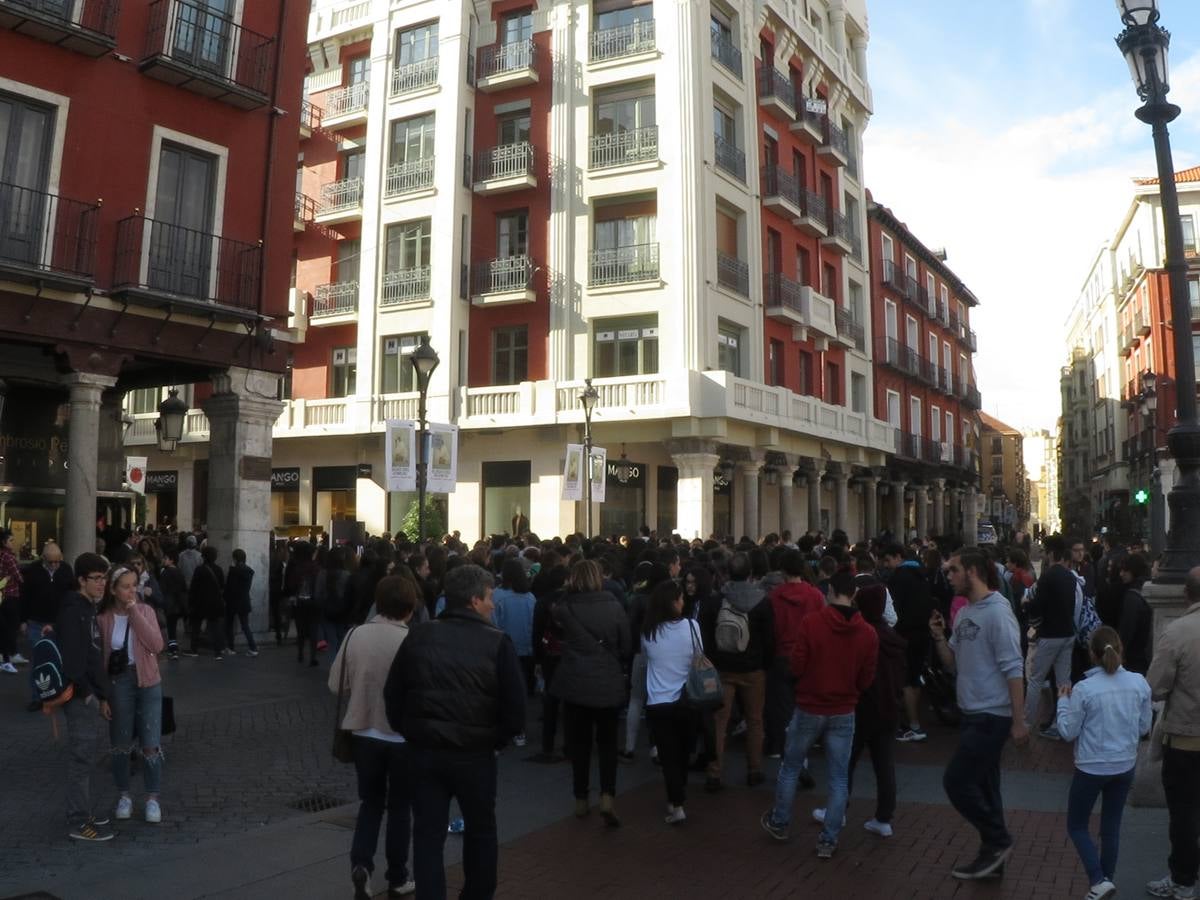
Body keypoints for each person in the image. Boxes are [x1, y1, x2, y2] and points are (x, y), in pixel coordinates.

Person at [384, 565, 526, 900]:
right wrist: (496, 740)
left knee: (428, 834)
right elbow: (515, 709)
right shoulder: (497, 642)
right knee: (480, 831)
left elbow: (393, 694)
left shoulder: (419, 635)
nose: (493, 604)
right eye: (489, 597)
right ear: (475, 600)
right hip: (474, 754)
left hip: (426, 751)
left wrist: (411, 730)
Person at [760, 567, 878, 859]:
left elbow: (797, 664)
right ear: (854, 594)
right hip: (844, 709)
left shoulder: (812, 623)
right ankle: (828, 839)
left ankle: (780, 821)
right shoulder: (867, 633)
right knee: (838, 778)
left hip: (810, 705)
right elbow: (866, 679)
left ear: (830, 591)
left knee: (791, 766)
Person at [929, 547, 1027, 881]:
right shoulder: (964, 613)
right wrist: (939, 637)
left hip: (991, 715)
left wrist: (1018, 721)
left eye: (953, 570)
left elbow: (1014, 668)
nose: (948, 576)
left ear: (972, 571)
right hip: (971, 713)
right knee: (986, 788)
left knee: (956, 781)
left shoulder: (998, 613)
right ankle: (993, 859)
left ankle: (998, 839)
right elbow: (952, 662)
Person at [328, 576, 418, 899]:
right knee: (400, 807)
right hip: (402, 736)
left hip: (364, 731)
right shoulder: (413, 640)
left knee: (370, 803)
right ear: (410, 607)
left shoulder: (356, 635)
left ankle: (362, 865)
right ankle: (398, 876)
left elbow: (335, 684)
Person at [1056, 626, 1152, 900]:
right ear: (1120, 648)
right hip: (1124, 764)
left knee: (1077, 825)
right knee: (1111, 828)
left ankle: (1098, 880)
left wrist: (1063, 702)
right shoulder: (1139, 683)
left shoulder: (1084, 689)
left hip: (1091, 766)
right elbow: (1144, 727)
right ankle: (1105, 881)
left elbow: (1068, 732)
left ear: (1092, 654)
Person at [549, 559, 630, 826]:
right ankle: (607, 795)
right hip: (607, 680)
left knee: (580, 744)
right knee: (608, 743)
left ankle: (581, 798)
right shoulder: (614, 605)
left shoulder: (565, 607)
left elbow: (554, 627)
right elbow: (626, 644)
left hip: (575, 682)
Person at [1144, 566, 1200, 900]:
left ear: (1185, 593)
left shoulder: (1177, 632)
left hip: (1185, 738)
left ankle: (1183, 879)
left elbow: (1155, 686)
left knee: (1183, 813)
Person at [698, 551, 774, 791]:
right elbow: (770, 639)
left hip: (722, 668)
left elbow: (705, 636)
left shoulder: (715, 601)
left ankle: (714, 772)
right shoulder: (762, 602)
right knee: (755, 720)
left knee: (719, 722)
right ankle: (754, 770)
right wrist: (764, 663)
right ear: (750, 573)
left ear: (727, 573)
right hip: (753, 669)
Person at [98, 564, 166, 824]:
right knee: (120, 742)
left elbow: (156, 644)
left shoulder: (145, 611)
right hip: (119, 682)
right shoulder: (103, 618)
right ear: (113, 589)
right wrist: (103, 696)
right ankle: (124, 795)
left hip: (147, 680)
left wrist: (134, 612)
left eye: (134, 585)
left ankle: (152, 798)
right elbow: (100, 658)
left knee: (150, 742)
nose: (131, 591)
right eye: (125, 587)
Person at [839, 583, 906, 838]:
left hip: (862, 707)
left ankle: (838, 809)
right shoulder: (893, 639)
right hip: (889, 709)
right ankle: (884, 817)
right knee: (884, 766)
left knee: (845, 761)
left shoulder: (860, 635)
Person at [56, 553, 114, 841]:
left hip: (89, 693)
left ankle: (82, 812)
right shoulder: (73, 611)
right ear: (81, 580)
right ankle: (78, 821)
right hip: (79, 696)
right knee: (81, 758)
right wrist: (89, 694)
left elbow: (92, 656)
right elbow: (74, 660)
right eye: (96, 578)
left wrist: (102, 694)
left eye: (104, 578)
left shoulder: (87, 608)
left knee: (86, 756)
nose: (102, 584)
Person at [641, 579, 702, 825]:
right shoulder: (692, 626)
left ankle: (676, 803)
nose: (683, 601)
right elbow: (699, 656)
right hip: (687, 698)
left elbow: (647, 658)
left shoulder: (648, 632)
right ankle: (679, 795)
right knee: (683, 752)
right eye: (681, 598)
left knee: (668, 756)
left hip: (658, 700)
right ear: (674, 602)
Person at [765, 550, 824, 759]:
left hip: (781, 655)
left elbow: (770, 630)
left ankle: (782, 746)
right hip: (808, 656)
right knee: (806, 705)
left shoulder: (774, 596)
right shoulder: (815, 595)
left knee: (781, 706)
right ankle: (804, 747)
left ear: (782, 570)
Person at [1025, 536, 1080, 739]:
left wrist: (1026, 605)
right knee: (1064, 681)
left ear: (1050, 553)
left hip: (1050, 634)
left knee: (1035, 680)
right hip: (1067, 633)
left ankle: (1026, 722)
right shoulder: (1070, 577)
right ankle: (1061, 723)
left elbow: (1038, 605)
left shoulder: (1048, 577)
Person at [879, 544, 932, 742]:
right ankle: (914, 721)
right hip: (922, 632)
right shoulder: (921, 574)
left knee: (907, 680)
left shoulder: (898, 578)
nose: (887, 565)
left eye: (888, 560)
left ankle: (913, 725)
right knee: (915, 678)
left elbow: (893, 609)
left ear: (898, 557)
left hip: (905, 634)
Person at [19, 540, 74, 710]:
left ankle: (62, 694)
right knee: (39, 660)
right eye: (51, 562)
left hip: (59, 622)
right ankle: (38, 697)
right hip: (36, 622)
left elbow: (71, 595)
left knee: (62, 658)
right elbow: (24, 597)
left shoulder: (66, 570)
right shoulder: (33, 571)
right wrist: (23, 620)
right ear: (43, 558)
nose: (55, 565)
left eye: (58, 561)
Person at [492, 557, 537, 701]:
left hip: (504, 646)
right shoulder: (530, 597)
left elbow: (493, 622)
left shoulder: (496, 595)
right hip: (526, 646)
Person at [1109, 554, 1153, 675]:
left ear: (1134, 571)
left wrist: (1119, 653)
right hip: (1147, 655)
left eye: (1125, 570)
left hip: (1134, 658)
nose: (1121, 574)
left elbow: (1126, 630)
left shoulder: (1131, 597)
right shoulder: (1148, 589)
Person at [188, 545, 226, 659]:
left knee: (196, 627)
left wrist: (191, 602)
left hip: (200, 602)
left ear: (204, 556)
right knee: (215, 628)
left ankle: (194, 650)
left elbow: (193, 587)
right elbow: (222, 586)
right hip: (214, 602)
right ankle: (218, 652)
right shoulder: (219, 569)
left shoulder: (199, 570)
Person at [223, 548, 258, 657]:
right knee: (245, 626)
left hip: (232, 602)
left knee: (229, 625)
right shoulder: (249, 571)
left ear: (235, 558)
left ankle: (231, 647)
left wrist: (224, 598)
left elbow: (229, 588)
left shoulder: (233, 571)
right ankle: (253, 648)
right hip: (244, 600)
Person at [0, 527, 25, 672]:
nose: (13, 542)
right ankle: (9, 656)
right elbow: (19, 577)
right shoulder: (8, 557)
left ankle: (8, 655)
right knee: (11, 628)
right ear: (4, 542)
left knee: (4, 628)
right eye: (11, 540)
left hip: (2, 596)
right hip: (11, 595)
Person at [158, 549, 188, 660]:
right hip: (178, 603)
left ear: (171, 560)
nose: (163, 560)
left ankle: (173, 649)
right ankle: (174, 648)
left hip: (169, 603)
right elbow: (184, 588)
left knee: (171, 627)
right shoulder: (179, 572)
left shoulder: (165, 573)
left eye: (165, 558)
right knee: (173, 626)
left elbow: (162, 589)